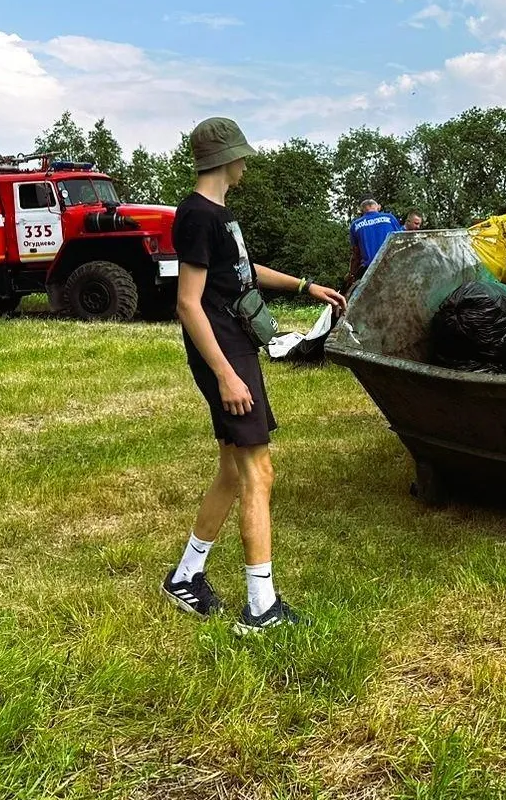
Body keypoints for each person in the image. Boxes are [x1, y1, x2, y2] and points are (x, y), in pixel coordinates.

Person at [163, 116, 347, 635]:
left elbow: (242, 272)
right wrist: (225, 374)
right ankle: (261, 608)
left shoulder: (218, 214)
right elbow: (188, 304)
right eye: (241, 155)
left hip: (236, 346)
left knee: (232, 468)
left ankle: (185, 577)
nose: (246, 163)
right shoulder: (199, 216)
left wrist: (305, 285)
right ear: (227, 158)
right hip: (225, 355)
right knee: (257, 474)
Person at [347, 198, 403, 284]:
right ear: (378, 207)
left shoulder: (355, 225)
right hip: (391, 265)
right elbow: (401, 240)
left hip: (370, 270)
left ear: (362, 211)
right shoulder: (389, 218)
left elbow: (356, 254)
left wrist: (351, 274)